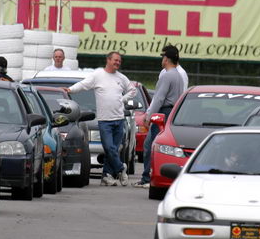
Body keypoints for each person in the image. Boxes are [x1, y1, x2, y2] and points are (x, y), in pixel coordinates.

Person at [63, 52, 136, 187]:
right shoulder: (98, 75)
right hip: (104, 120)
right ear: (108, 60)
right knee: (108, 147)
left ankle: (106, 176)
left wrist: (123, 99)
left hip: (119, 119)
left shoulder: (122, 78)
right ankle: (121, 168)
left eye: (119, 61)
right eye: (115, 60)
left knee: (113, 149)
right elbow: (83, 85)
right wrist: (70, 90)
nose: (117, 63)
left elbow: (133, 90)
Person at [134, 45, 184, 188]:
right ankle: (155, 176)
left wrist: (149, 115)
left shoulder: (167, 75)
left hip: (163, 111)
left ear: (167, 59)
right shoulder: (179, 75)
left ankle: (146, 178)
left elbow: (159, 98)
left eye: (163, 57)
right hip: (171, 112)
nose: (162, 59)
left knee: (150, 145)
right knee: (163, 145)